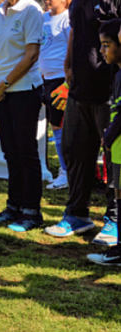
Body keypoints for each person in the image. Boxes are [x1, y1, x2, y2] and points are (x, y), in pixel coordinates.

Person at [45, 0, 121, 239]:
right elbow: (76, 28)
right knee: (75, 151)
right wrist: (67, 62)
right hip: (80, 88)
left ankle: (114, 220)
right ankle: (76, 215)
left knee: (115, 159)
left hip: (110, 92)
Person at [0, 0, 45, 232]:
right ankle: (13, 206)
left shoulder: (32, 11)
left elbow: (31, 55)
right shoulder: (1, 10)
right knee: (10, 150)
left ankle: (31, 211)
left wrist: (5, 83)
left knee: (25, 151)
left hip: (24, 90)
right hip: (2, 91)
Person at [87, 20, 121, 266]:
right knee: (118, 195)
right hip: (117, 149)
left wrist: (108, 136)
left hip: (117, 144)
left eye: (107, 45)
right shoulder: (117, 73)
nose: (102, 51)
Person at [40, 0, 73, 190]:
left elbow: (75, 52)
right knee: (54, 127)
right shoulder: (43, 18)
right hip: (44, 80)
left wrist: (68, 84)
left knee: (61, 129)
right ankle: (63, 169)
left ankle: (66, 172)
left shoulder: (68, 21)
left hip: (61, 81)